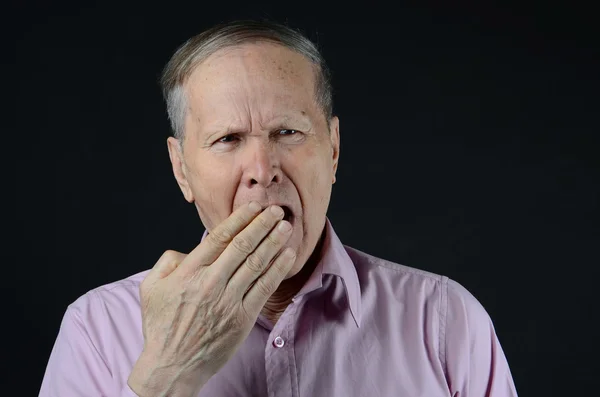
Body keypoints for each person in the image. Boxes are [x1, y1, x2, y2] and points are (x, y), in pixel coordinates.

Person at [39, 19, 518, 397]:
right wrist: (165, 373)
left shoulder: (444, 320)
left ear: (332, 150)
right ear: (181, 169)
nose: (262, 169)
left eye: (287, 132)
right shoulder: (96, 330)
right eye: (227, 139)